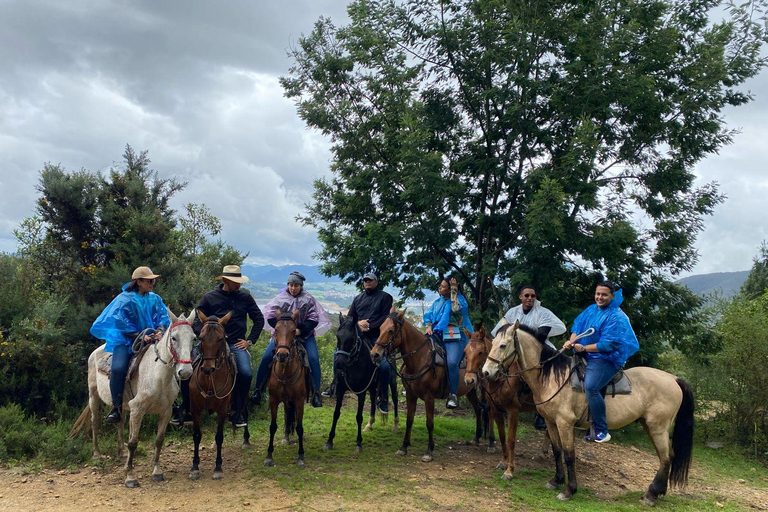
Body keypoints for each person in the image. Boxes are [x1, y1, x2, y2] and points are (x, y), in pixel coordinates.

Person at [174, 264, 264, 428]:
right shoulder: (209, 298)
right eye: (235, 281)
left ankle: (236, 411)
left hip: (235, 343)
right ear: (225, 280)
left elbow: (259, 319)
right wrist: (204, 337)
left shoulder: (245, 298)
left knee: (245, 373)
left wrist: (249, 341)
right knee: (186, 368)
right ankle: (187, 407)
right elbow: (196, 321)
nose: (239, 284)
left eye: (239, 281)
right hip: (209, 344)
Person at [90, 266, 170, 424]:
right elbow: (121, 323)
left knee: (173, 361)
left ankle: (174, 403)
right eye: (149, 280)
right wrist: (141, 336)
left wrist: (161, 330)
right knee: (118, 368)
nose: (152, 283)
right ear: (138, 282)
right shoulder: (123, 299)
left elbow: (163, 316)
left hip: (153, 339)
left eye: (153, 280)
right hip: (126, 341)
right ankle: (116, 408)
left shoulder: (155, 298)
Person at [563, 280, 639, 443]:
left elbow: (608, 345)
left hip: (606, 358)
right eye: (598, 294)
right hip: (586, 353)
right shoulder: (591, 309)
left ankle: (601, 429)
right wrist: (571, 341)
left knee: (592, 387)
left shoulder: (616, 316)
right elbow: (577, 327)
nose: (600, 297)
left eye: (604, 294)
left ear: (612, 296)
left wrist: (582, 349)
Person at [251, 271, 331, 408]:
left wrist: (300, 330)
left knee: (313, 358)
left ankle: (316, 394)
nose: (293, 288)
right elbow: (270, 317)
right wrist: (280, 329)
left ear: (301, 286)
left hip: (304, 335)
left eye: (296, 285)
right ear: (287, 285)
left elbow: (313, 319)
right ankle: (258, 390)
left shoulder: (308, 299)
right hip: (283, 336)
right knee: (265, 357)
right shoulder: (280, 298)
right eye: (291, 285)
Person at [491, 284, 566, 430]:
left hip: (539, 350)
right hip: (515, 350)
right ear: (521, 297)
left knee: (544, 375)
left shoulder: (543, 312)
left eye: (532, 296)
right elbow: (499, 330)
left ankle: (542, 413)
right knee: (495, 366)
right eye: (526, 295)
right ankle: (494, 399)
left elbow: (543, 334)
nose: (530, 298)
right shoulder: (513, 312)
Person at [338, 272, 394, 413]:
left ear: (376, 282)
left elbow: (385, 318)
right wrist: (358, 324)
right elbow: (349, 318)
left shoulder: (385, 297)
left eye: (370, 280)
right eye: (365, 280)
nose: (367, 282)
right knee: (337, 355)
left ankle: (382, 398)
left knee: (385, 366)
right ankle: (335, 385)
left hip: (377, 338)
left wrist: (369, 326)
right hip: (359, 337)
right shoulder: (358, 299)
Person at [423, 277, 473, 409]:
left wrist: (454, 291)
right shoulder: (437, 302)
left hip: (455, 336)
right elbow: (428, 316)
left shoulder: (459, 300)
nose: (439, 288)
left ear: (450, 289)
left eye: (443, 286)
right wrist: (428, 327)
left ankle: (453, 394)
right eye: (440, 286)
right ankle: (416, 384)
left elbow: (456, 309)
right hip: (436, 333)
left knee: (451, 362)